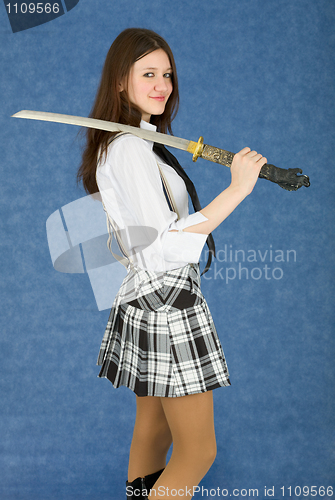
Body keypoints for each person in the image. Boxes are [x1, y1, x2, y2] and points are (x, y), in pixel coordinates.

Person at [77, 28, 267, 500]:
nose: (162, 84)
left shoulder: (138, 142)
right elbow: (164, 245)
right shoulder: (126, 149)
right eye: (148, 74)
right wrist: (237, 190)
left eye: (167, 74)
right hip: (166, 301)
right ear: (120, 82)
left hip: (149, 297)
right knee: (198, 452)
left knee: (155, 432)